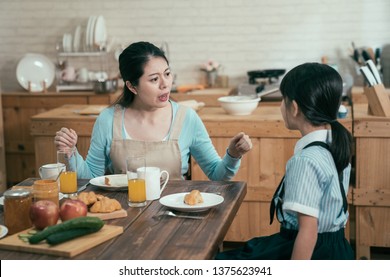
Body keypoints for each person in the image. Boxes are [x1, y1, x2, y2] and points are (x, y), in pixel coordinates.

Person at [54, 41, 252, 180]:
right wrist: (71, 153)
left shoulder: (186, 118)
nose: (165, 84)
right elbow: (92, 179)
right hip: (122, 217)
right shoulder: (108, 119)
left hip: (175, 218)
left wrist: (233, 155)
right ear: (132, 86)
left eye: (167, 74)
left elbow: (218, 175)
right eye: (154, 79)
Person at [216, 62, 354, 260]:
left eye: (283, 99)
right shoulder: (337, 144)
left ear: (294, 107)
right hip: (336, 247)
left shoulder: (305, 160)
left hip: (312, 250)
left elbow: (308, 232)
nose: (281, 105)